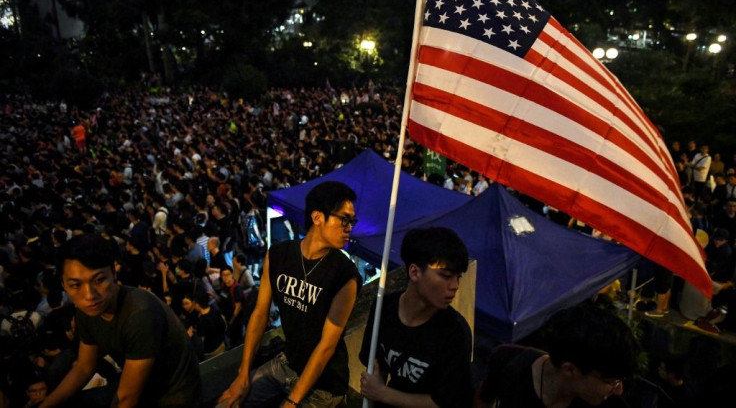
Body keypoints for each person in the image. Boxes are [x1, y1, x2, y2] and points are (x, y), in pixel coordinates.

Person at [218, 181, 361, 408]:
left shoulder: (345, 276)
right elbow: (260, 313)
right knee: (227, 402)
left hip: (324, 383)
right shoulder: (278, 254)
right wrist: (243, 374)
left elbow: (326, 347)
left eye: (351, 221)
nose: (349, 227)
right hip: (288, 363)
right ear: (317, 217)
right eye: (344, 219)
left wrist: (292, 402)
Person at [39, 233, 202, 407]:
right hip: (141, 384)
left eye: (99, 280)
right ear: (64, 285)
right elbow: (84, 367)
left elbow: (127, 399)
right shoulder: (86, 311)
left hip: (173, 395)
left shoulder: (139, 314)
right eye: (76, 285)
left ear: (114, 274)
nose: (89, 295)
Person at [359, 227, 473, 407]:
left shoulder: (455, 332)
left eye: (458, 277)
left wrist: (383, 394)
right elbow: (375, 372)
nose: (455, 286)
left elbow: (445, 402)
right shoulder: (384, 307)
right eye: (446, 276)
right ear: (414, 272)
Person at [474, 302, 639, 408]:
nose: (618, 390)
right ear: (569, 370)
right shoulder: (510, 362)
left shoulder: (612, 404)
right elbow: (484, 398)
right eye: (611, 382)